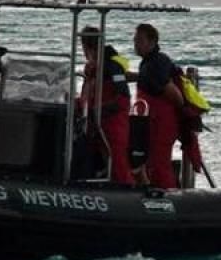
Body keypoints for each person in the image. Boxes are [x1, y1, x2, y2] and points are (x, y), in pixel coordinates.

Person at [78, 26, 133, 185]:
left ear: (86, 46)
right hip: (95, 123)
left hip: (113, 123)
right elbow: (87, 95)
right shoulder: (91, 68)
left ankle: (126, 190)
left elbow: (123, 98)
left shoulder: (112, 66)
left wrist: (100, 110)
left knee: (117, 163)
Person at [132, 23, 183, 188]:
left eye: (140, 40)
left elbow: (177, 97)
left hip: (162, 123)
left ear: (152, 42)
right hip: (150, 123)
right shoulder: (148, 62)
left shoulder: (157, 63)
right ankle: (154, 191)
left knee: (160, 164)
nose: (135, 44)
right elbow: (148, 79)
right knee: (150, 163)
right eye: (135, 40)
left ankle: (169, 195)